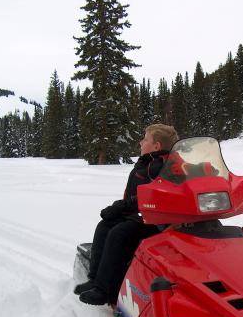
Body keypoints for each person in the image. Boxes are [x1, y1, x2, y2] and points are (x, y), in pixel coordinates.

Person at [75, 124, 179, 305]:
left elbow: (151, 195)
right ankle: (95, 279)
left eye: (145, 139)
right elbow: (137, 196)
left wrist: (121, 207)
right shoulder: (149, 163)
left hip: (159, 222)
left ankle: (105, 290)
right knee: (105, 225)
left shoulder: (163, 166)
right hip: (144, 215)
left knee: (119, 233)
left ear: (156, 146)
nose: (140, 142)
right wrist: (120, 208)